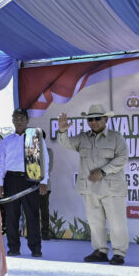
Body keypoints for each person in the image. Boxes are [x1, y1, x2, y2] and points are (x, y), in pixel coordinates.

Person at [57, 104, 129, 265]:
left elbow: (122, 158)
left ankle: (119, 253)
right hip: (89, 188)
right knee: (95, 222)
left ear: (106, 119)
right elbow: (66, 143)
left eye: (97, 118)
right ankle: (100, 251)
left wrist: (103, 171)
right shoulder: (82, 137)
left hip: (112, 188)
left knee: (117, 222)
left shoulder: (116, 138)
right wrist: (62, 131)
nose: (93, 122)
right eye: (90, 119)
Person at [0, 109, 48, 257]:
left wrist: (44, 181)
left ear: (27, 120)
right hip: (11, 180)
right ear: (12, 120)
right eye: (16, 118)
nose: (19, 121)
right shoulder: (6, 141)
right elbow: (2, 164)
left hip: (30, 178)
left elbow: (44, 160)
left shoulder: (34, 137)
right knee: (11, 216)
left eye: (22, 118)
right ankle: (13, 248)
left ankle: (36, 249)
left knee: (32, 216)